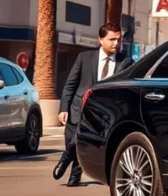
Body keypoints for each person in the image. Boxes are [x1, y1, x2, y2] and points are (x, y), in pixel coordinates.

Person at [53, 24, 133, 186]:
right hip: (78, 108)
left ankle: (66, 158)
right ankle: (74, 176)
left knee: (83, 141)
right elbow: (70, 85)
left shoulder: (126, 61)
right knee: (73, 139)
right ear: (101, 40)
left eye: (119, 40)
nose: (116, 43)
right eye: (112, 39)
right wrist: (63, 108)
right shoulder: (84, 57)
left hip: (103, 112)